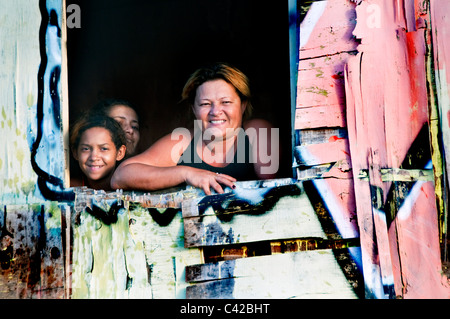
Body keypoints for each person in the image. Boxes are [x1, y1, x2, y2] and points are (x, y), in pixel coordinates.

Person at [111, 62, 279, 195]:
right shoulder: (182, 141)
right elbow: (120, 176)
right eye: (205, 104)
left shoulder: (256, 132)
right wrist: (187, 173)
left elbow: (275, 187)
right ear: (194, 109)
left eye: (226, 102)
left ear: (243, 106)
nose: (215, 112)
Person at [70, 114, 127, 190]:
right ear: (75, 153)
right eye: (86, 149)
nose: (93, 157)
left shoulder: (128, 184)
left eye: (104, 148)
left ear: (120, 153)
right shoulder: (69, 188)